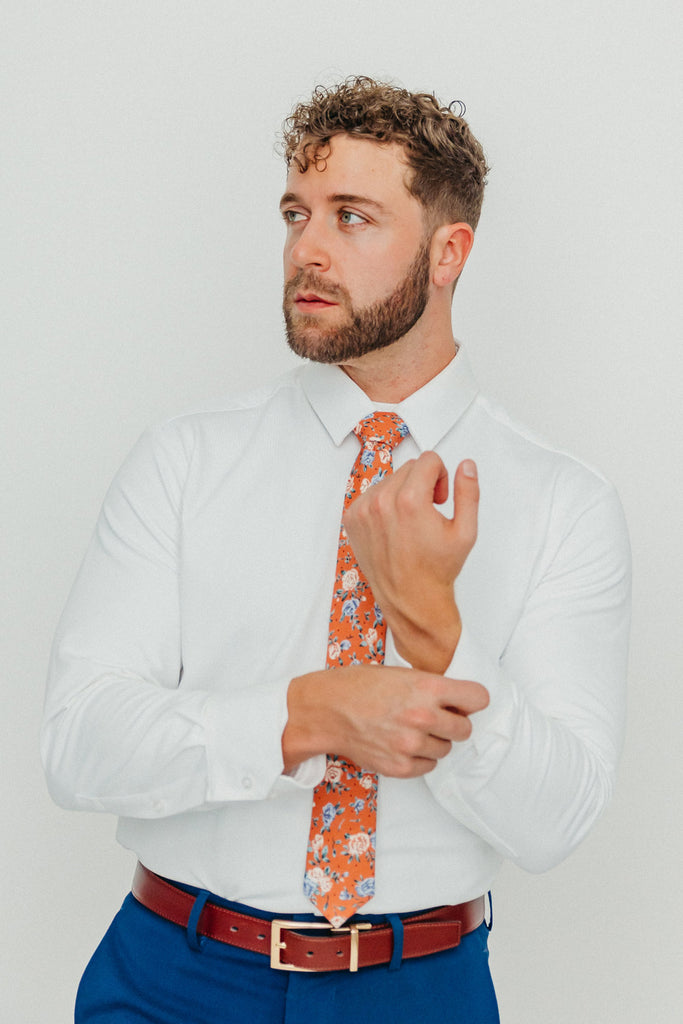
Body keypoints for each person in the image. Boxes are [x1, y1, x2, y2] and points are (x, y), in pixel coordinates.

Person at [42, 76, 631, 1023]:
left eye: (351, 217)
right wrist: (305, 714)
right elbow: (79, 747)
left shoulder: (564, 503)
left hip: (418, 989)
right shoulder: (184, 459)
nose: (305, 251)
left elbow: (553, 823)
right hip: (171, 978)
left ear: (448, 252)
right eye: (296, 214)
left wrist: (436, 632)